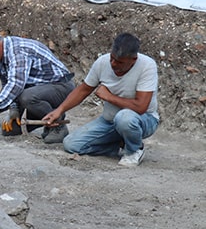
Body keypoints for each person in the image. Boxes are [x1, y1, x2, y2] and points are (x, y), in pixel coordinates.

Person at [43, 33, 159, 167]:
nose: (113, 64)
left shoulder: (147, 66)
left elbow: (141, 107)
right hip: (110, 121)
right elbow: (84, 89)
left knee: (124, 117)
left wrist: (108, 96)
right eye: (112, 58)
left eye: (119, 62)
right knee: (71, 144)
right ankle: (118, 145)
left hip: (144, 119)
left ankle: (135, 149)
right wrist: (59, 110)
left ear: (133, 59)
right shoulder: (103, 62)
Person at [0, 28, 76, 143]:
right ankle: (47, 121)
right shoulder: (1, 58)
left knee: (27, 97)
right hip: (38, 91)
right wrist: (14, 109)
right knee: (10, 130)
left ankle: (58, 125)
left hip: (61, 86)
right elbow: (7, 85)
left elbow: (16, 84)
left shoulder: (18, 51)